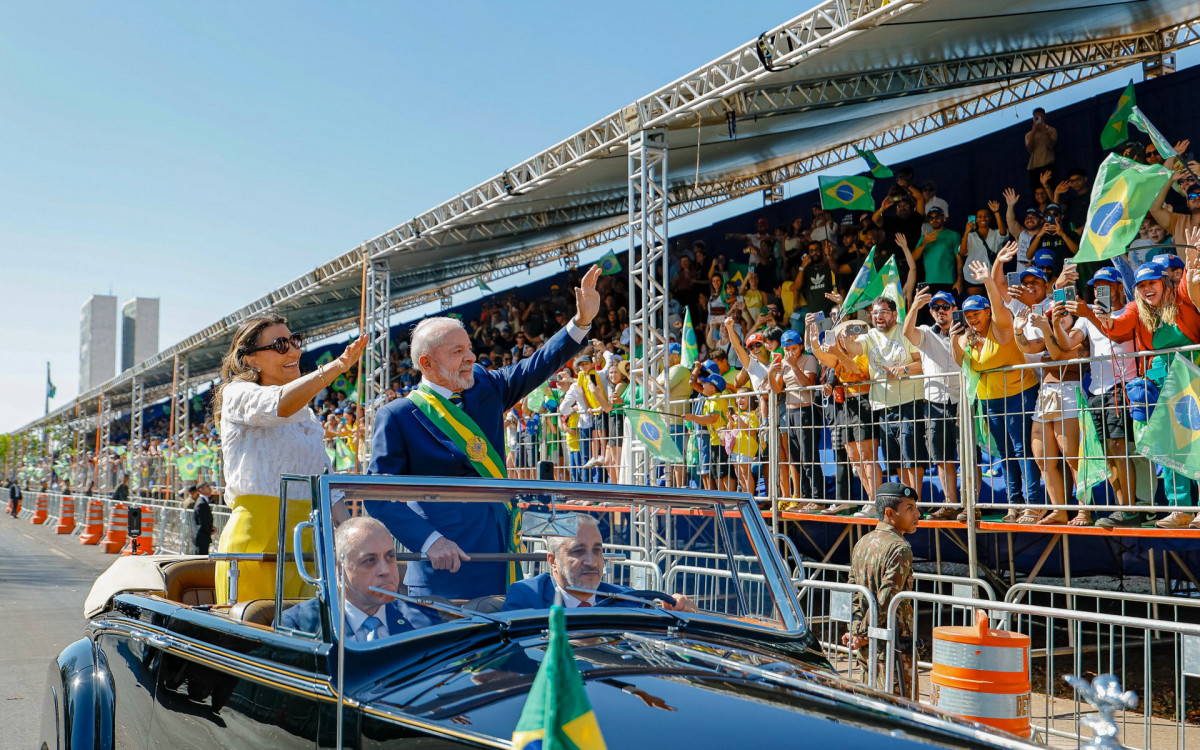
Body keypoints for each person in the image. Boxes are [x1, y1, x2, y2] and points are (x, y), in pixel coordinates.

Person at [367, 266, 601, 599]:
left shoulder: (485, 386)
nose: (471, 357)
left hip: (504, 556)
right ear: (427, 363)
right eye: (457, 352)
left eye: (468, 347)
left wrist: (580, 323)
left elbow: (536, 366)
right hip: (448, 570)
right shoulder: (398, 415)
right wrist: (430, 541)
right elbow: (378, 496)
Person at [211, 314, 369, 605]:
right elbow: (278, 404)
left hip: (307, 543)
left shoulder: (306, 413)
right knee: (256, 636)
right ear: (250, 360)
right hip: (257, 540)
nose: (295, 351)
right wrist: (338, 366)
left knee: (308, 637)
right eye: (280, 345)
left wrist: (350, 535)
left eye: (294, 341)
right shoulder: (238, 393)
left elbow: (324, 478)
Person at [952, 246, 1044, 523]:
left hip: (1019, 393)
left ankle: (1033, 505)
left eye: (977, 314)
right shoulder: (967, 337)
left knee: (1022, 449)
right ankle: (1014, 505)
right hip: (990, 400)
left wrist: (988, 281)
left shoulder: (1001, 324)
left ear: (987, 313)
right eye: (968, 316)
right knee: (1005, 453)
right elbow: (959, 361)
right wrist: (953, 338)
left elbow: (997, 304)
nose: (973, 319)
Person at [281, 517, 439, 638]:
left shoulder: (425, 621)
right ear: (338, 570)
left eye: (390, 557)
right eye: (370, 561)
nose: (385, 570)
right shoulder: (299, 626)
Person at [502, 514, 695, 611]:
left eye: (597, 550)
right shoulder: (527, 597)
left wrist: (682, 609)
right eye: (578, 551)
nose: (592, 561)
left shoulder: (628, 600)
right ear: (553, 561)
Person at [844, 482, 920, 698]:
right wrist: (862, 633)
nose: (917, 514)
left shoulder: (863, 542)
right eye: (909, 508)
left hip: (868, 646)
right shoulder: (899, 548)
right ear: (890, 513)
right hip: (892, 648)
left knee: (869, 706)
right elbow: (886, 599)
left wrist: (856, 630)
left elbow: (853, 593)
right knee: (901, 712)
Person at [902, 289, 963, 520]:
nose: (940, 311)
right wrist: (915, 306)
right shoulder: (926, 332)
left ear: (953, 309)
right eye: (936, 308)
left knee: (970, 455)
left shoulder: (965, 331)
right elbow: (908, 332)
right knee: (942, 456)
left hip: (963, 399)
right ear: (931, 312)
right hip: (936, 401)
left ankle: (972, 502)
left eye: (945, 307)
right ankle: (950, 503)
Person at [193, 482, 214, 555]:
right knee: (201, 560)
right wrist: (211, 529)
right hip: (202, 537)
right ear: (200, 490)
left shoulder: (203, 501)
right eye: (207, 486)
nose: (210, 488)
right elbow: (203, 521)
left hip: (203, 537)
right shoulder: (201, 503)